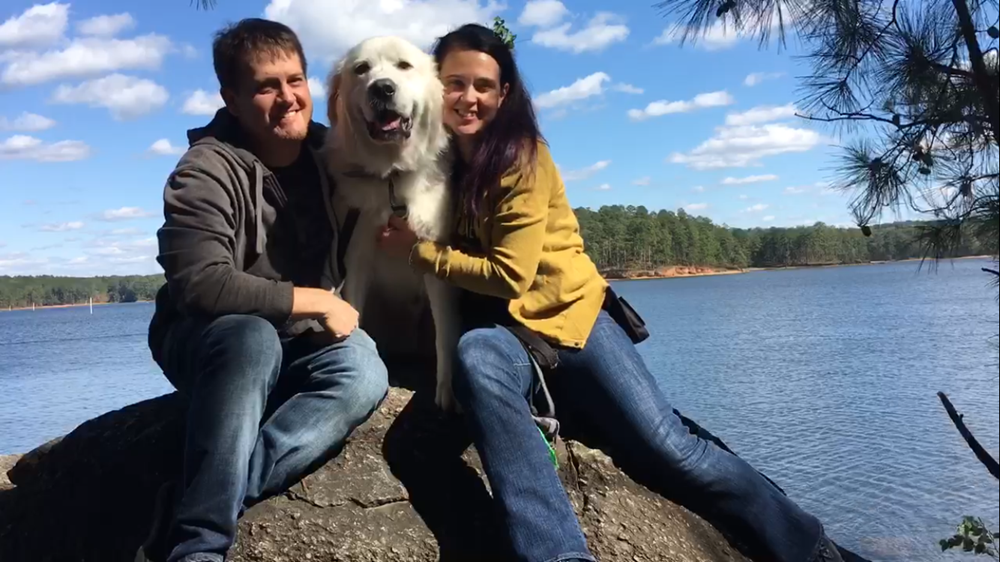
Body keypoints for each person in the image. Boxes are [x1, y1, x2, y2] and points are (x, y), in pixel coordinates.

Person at [376, 22, 846, 562]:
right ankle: (560, 555)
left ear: (504, 94)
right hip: (510, 339)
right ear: (435, 85)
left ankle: (809, 547)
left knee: (671, 450)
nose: (468, 97)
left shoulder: (519, 156)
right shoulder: (436, 164)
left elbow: (510, 275)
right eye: (454, 82)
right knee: (475, 355)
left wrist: (417, 252)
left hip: (573, 322)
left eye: (483, 85)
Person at [138, 18, 389, 562]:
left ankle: (208, 493)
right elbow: (200, 284)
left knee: (364, 370)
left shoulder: (332, 154)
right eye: (265, 86)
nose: (287, 98)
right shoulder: (204, 170)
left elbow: (410, 173)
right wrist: (320, 300)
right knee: (252, 339)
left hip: (297, 337)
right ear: (231, 97)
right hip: (209, 338)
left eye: (295, 80)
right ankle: (199, 547)